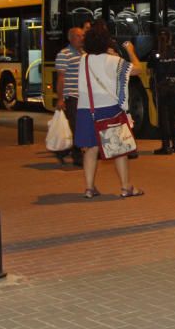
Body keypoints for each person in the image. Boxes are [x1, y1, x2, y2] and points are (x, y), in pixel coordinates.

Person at [76, 22, 145, 199]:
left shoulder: (83, 59)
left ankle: (89, 188)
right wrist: (130, 50)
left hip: (86, 109)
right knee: (119, 150)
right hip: (109, 109)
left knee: (90, 150)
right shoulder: (114, 61)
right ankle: (126, 187)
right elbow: (138, 69)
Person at [148, 28, 175, 155]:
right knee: (173, 117)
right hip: (174, 87)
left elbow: (150, 72)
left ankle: (166, 146)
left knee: (163, 118)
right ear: (170, 39)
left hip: (162, 88)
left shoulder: (155, 54)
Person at [54, 27, 85, 166]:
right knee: (76, 127)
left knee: (79, 126)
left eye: (82, 36)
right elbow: (61, 77)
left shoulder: (83, 54)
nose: (82, 38)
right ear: (71, 38)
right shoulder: (64, 54)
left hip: (82, 96)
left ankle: (63, 151)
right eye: (79, 36)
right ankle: (78, 157)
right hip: (71, 96)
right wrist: (60, 98)